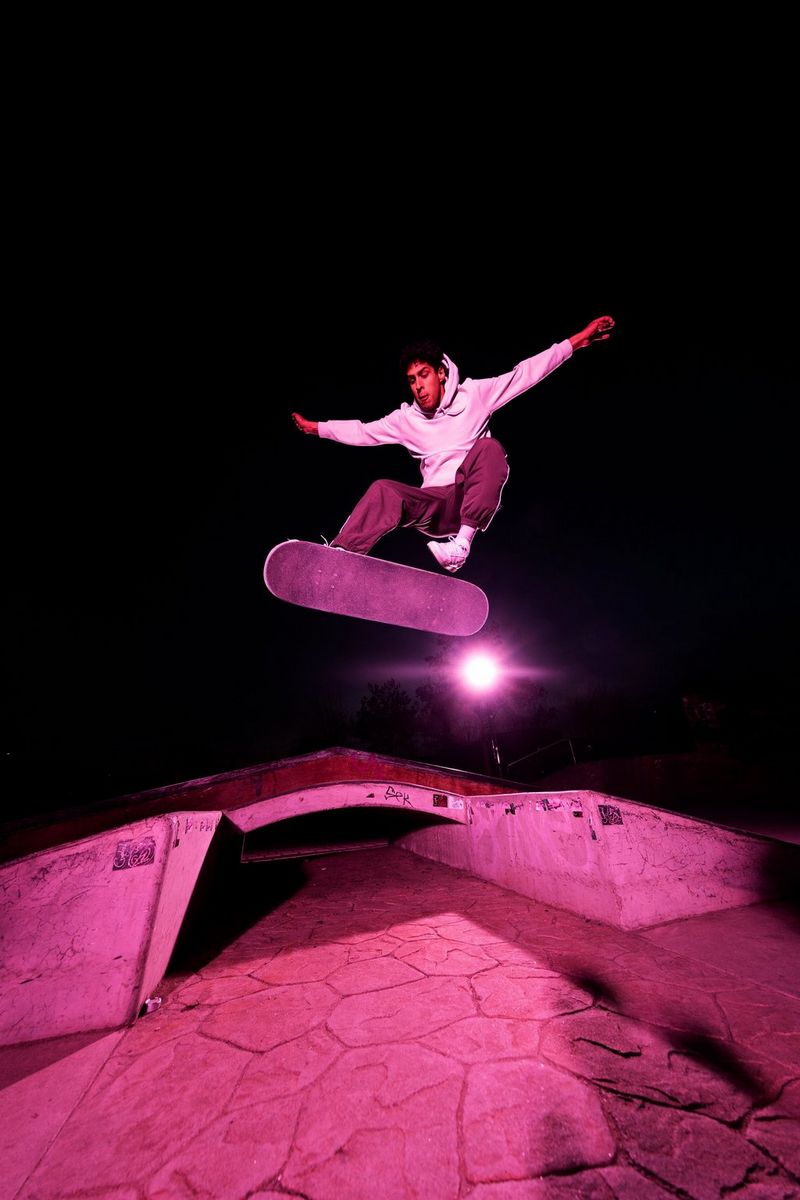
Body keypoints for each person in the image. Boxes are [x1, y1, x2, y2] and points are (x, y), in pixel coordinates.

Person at [291, 316, 614, 573]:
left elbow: (525, 373)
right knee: (383, 489)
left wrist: (577, 341)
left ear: (442, 373)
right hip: (432, 507)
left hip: (467, 498)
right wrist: (316, 428)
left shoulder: (476, 395)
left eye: (424, 375)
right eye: (412, 380)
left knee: (490, 449)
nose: (418, 387)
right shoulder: (405, 419)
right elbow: (362, 431)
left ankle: (461, 546)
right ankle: (341, 556)